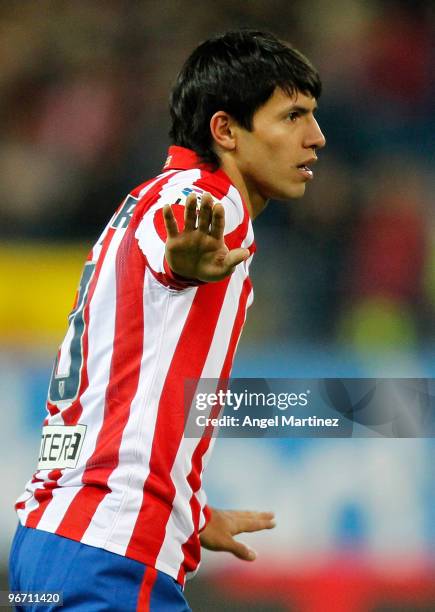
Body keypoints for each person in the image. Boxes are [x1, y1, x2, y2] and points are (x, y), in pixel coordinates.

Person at [9, 29, 325, 611]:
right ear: (226, 130)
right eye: (293, 116)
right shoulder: (209, 201)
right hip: (112, 552)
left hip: (58, 537)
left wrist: (184, 506)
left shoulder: (145, 196)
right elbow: (173, 246)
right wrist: (184, 263)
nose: (316, 137)